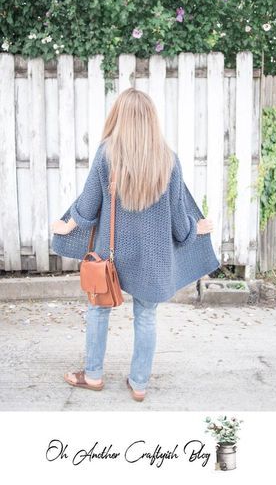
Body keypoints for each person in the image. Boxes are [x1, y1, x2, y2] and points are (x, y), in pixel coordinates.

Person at [51, 88, 219, 401]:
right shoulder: (169, 160)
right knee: (147, 317)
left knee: (98, 312)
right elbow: (180, 223)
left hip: (110, 256)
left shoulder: (106, 154)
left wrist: (67, 225)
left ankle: (93, 375)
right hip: (152, 259)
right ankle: (139, 384)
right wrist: (196, 229)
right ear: (151, 120)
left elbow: (88, 206)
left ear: (120, 117)